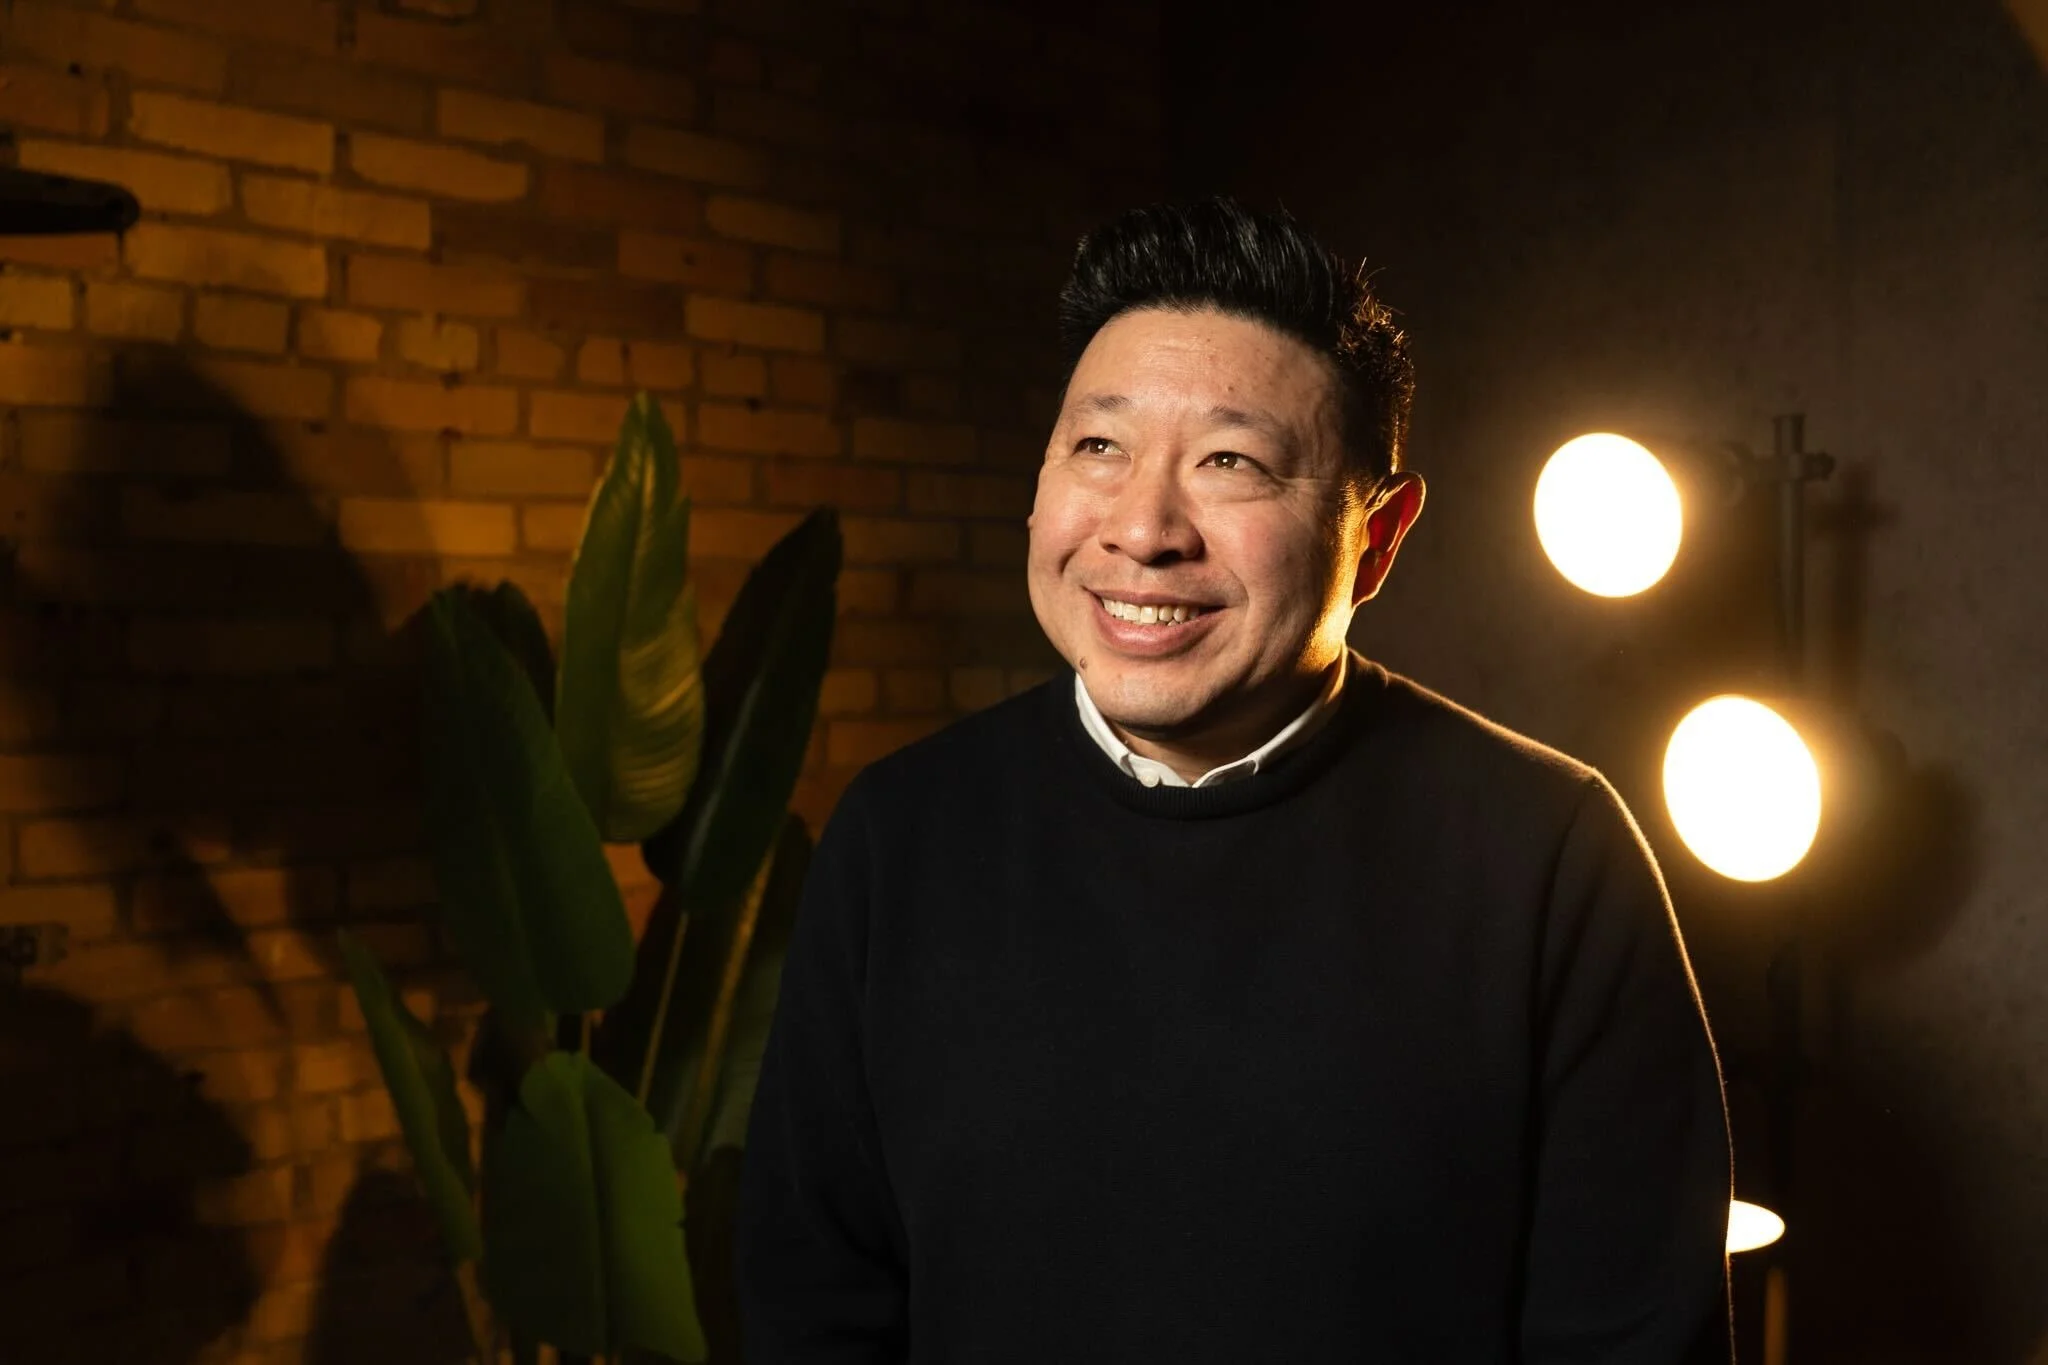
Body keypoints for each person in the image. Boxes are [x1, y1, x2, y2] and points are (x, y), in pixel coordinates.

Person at [736, 195, 1733, 1363]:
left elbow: (1630, 1341)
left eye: (1230, 461)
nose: (1142, 528)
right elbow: (815, 1306)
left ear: (1382, 534)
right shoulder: (900, 831)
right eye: (1097, 446)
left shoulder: (1544, 854)